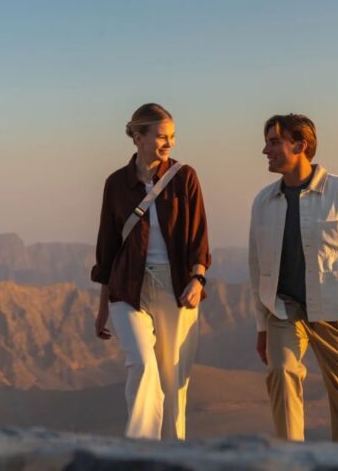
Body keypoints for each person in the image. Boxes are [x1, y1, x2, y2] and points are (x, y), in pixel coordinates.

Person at [248, 114, 338, 442]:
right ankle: (290, 457)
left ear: (300, 146)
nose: (266, 150)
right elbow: (257, 267)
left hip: (336, 312)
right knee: (281, 372)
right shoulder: (263, 202)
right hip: (283, 309)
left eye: (274, 142)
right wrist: (262, 326)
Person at [91, 103, 211, 440]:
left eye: (172, 136)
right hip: (128, 289)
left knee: (173, 381)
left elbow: (199, 236)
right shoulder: (116, 184)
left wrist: (198, 278)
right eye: (161, 136)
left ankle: (171, 454)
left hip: (176, 287)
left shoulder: (185, 177)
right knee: (142, 365)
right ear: (138, 137)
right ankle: (140, 449)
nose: (169, 143)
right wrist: (102, 308)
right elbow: (107, 248)